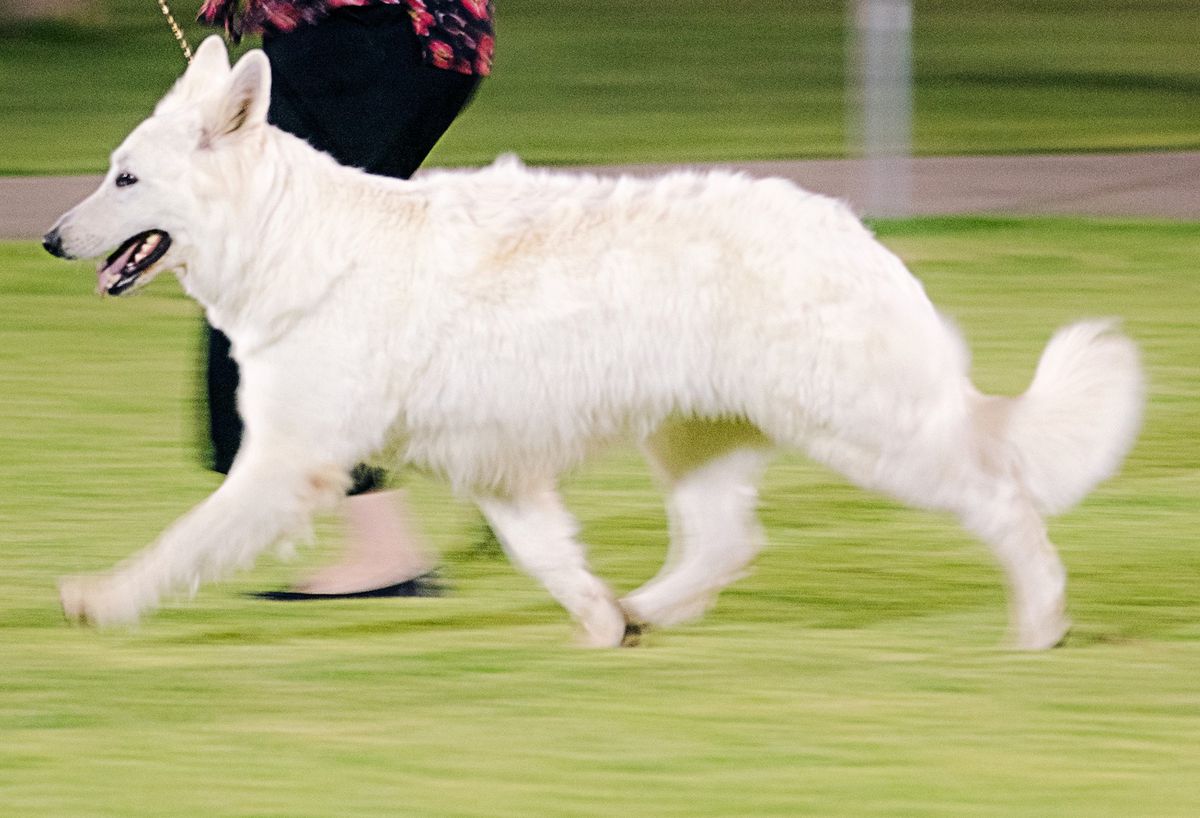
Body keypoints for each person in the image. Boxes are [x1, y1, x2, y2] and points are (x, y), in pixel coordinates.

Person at [197, 0, 494, 598]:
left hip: (366, 40)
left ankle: (384, 547)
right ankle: (504, 454)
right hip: (412, 41)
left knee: (273, 293)